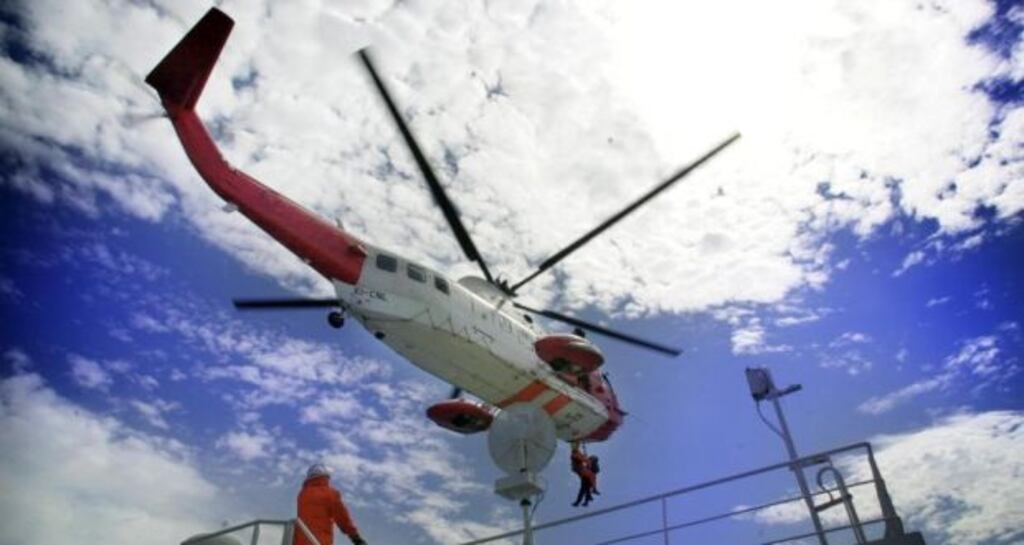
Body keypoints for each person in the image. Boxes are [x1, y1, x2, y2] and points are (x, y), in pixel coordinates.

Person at [294, 463, 367, 545]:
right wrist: (355, 537)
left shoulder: (302, 494)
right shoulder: (330, 494)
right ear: (326, 477)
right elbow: (342, 517)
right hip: (319, 541)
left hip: (300, 541)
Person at [570, 442, 595, 507]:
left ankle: (583, 501)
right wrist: (586, 459)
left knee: (584, 488)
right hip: (582, 472)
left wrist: (587, 460)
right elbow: (584, 459)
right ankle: (587, 498)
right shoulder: (576, 453)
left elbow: (584, 459)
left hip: (583, 473)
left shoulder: (575, 454)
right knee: (585, 487)